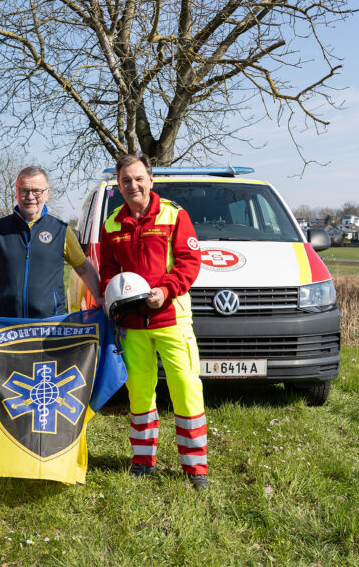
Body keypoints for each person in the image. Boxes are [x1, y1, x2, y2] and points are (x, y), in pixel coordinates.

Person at [97, 153, 208, 489]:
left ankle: (195, 468)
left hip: (171, 318)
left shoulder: (175, 215)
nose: (133, 185)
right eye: (126, 180)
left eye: (138, 178)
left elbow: (189, 263)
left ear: (151, 179)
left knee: (186, 390)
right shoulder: (111, 224)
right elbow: (107, 271)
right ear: (119, 185)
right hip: (132, 325)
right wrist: (111, 294)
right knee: (140, 394)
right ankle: (143, 462)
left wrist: (166, 290)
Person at [0, 166, 103, 321]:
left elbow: (84, 268)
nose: (30, 197)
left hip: (49, 327)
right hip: (7, 324)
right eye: (24, 190)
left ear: (47, 193)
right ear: (16, 193)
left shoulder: (61, 230)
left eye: (37, 191)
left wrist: (98, 297)